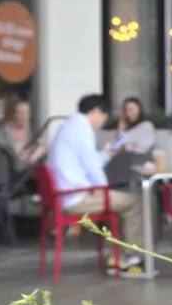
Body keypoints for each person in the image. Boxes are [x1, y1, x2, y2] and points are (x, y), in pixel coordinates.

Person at [47, 93, 146, 271]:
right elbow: (92, 168)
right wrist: (105, 190)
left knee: (120, 203)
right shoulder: (82, 128)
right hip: (76, 198)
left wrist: (107, 154)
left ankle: (116, 256)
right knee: (134, 202)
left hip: (65, 195)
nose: (103, 121)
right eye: (104, 116)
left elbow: (88, 163)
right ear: (95, 112)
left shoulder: (69, 126)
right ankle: (133, 257)